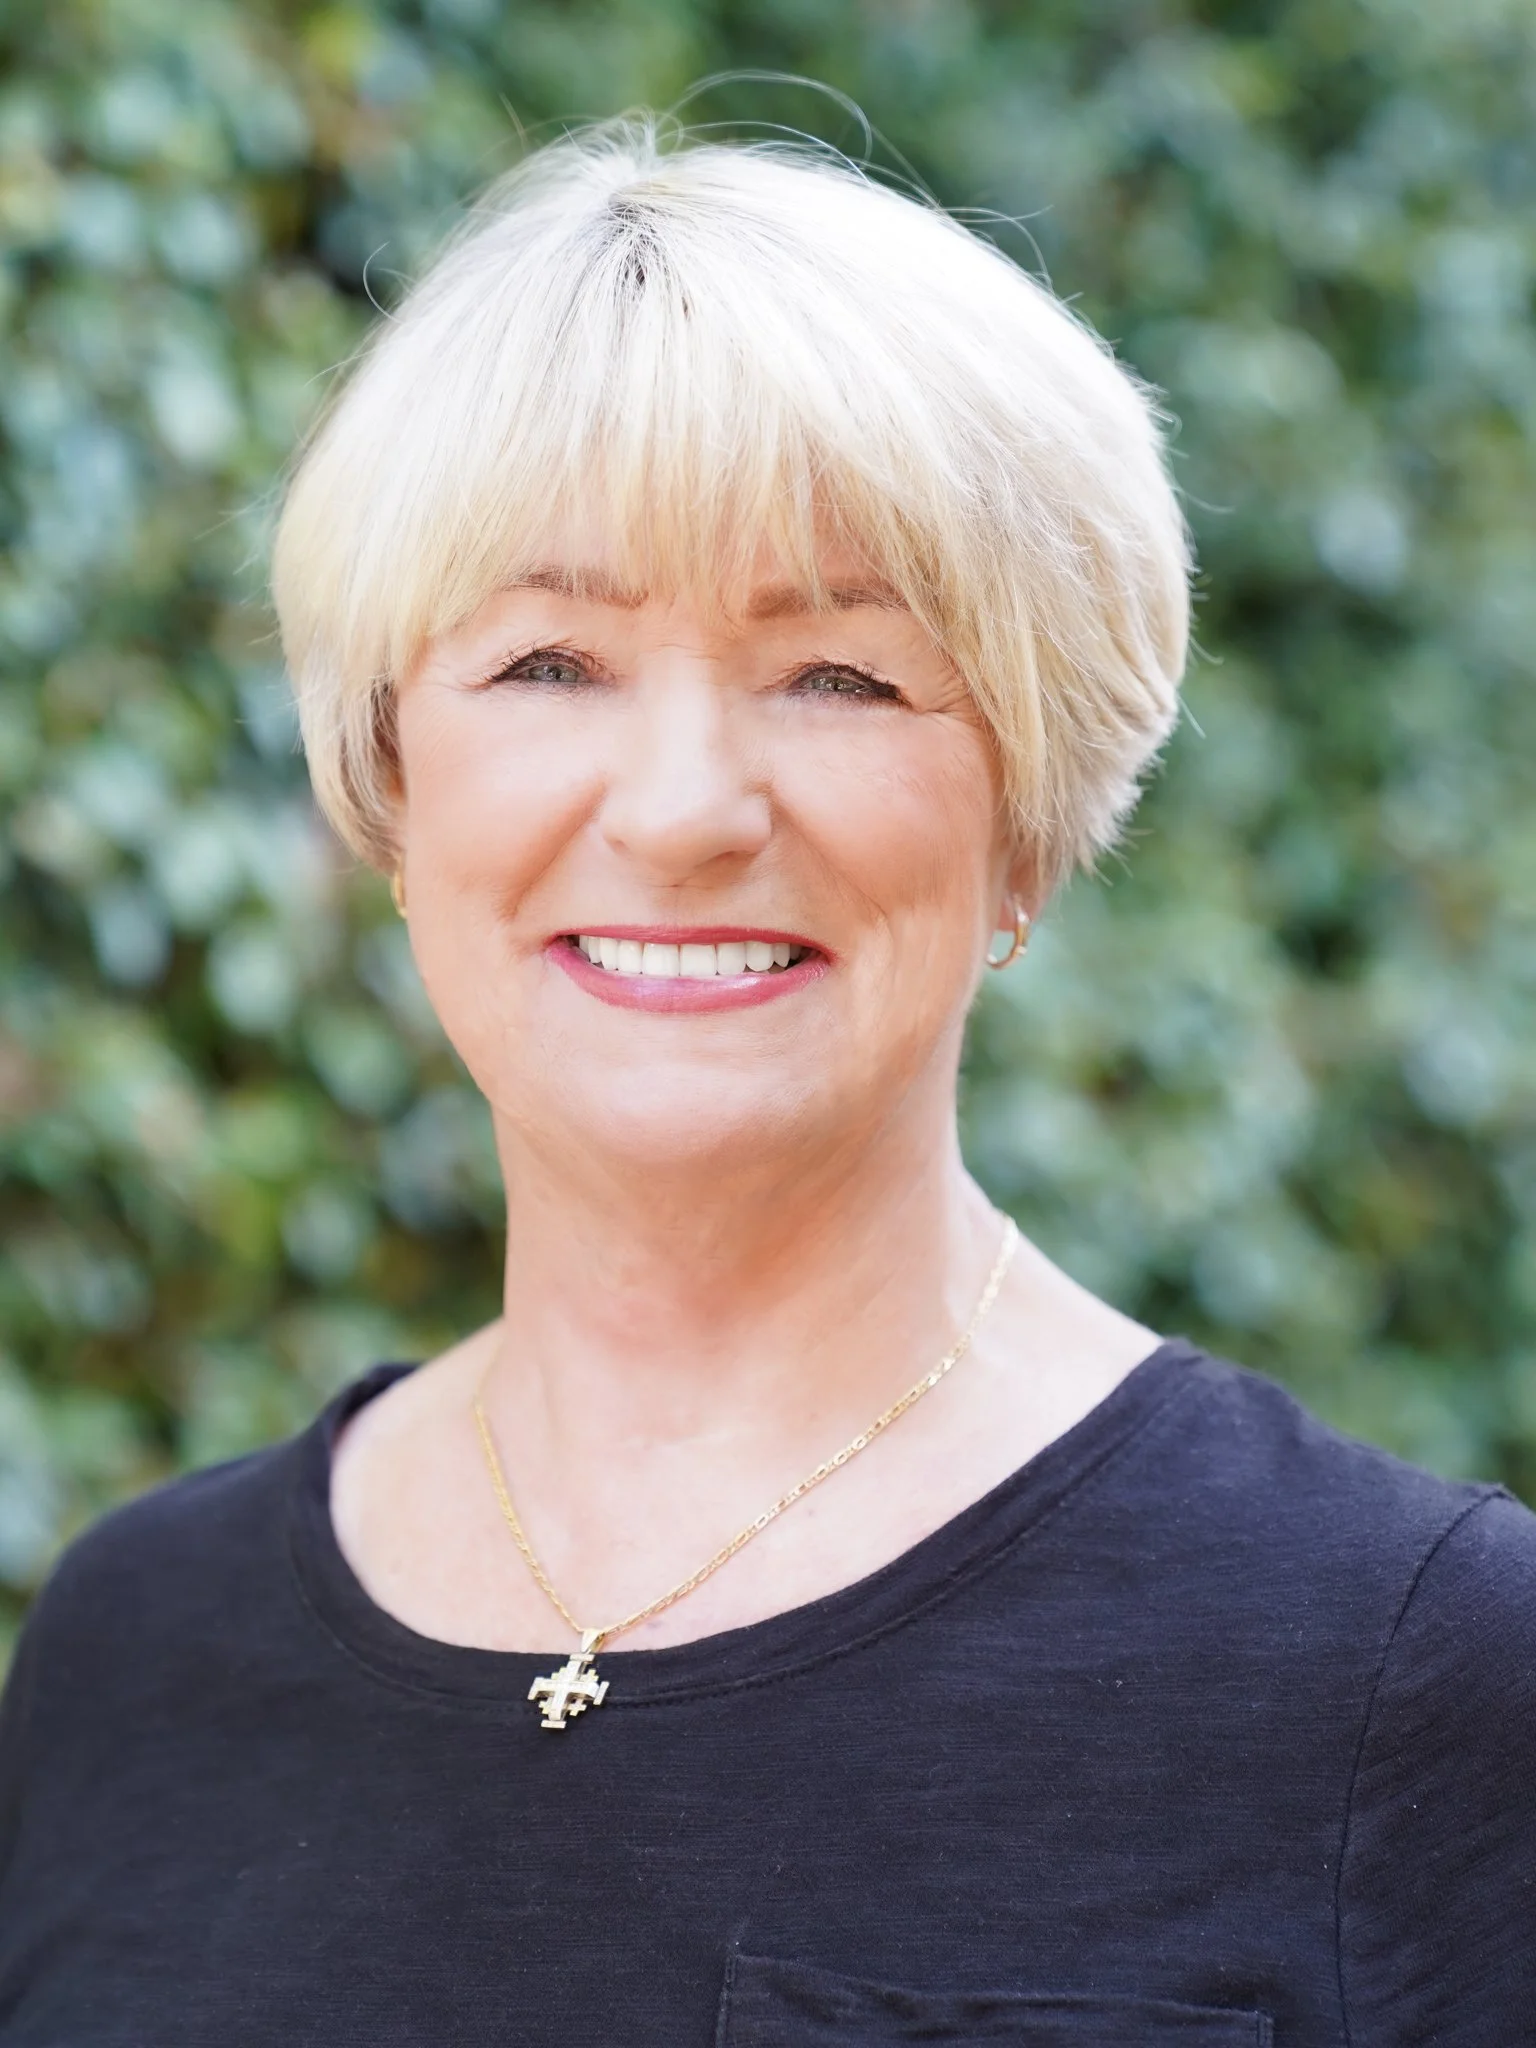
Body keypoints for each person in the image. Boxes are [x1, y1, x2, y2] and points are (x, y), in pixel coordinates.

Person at [0, 117, 1531, 2048]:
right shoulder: (132, 1650)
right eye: (549, 661)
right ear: (391, 779)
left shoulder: (1417, 1676)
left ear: (1029, 823)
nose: (681, 810)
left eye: (839, 676)